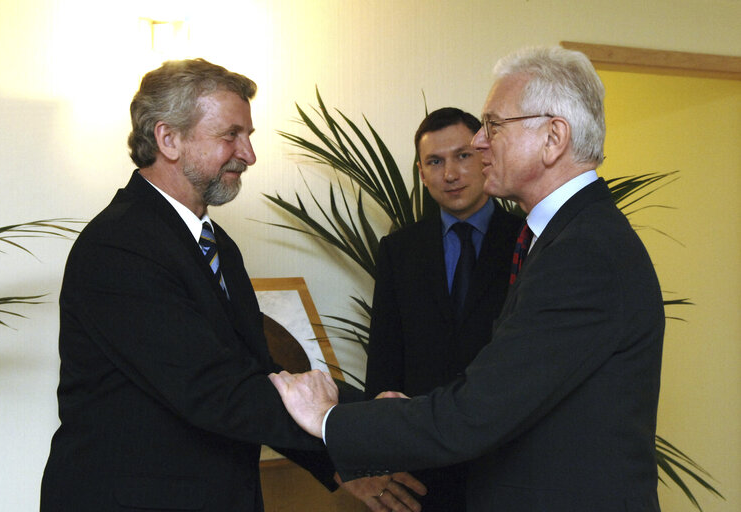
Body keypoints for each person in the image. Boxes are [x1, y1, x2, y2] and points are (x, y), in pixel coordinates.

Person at [269, 45, 665, 511]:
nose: (479, 143)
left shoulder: (583, 253)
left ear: (553, 138)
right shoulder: (568, 237)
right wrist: (393, 413)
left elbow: (477, 411)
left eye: (493, 125)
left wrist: (328, 419)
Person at [39, 58, 424, 512]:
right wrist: (357, 428)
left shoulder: (217, 244)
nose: (249, 154)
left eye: (249, 136)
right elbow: (214, 390)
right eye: (230, 136)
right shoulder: (120, 246)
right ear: (168, 139)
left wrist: (341, 460)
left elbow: (259, 372)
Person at [362, 107, 520, 510]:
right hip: (420, 467)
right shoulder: (398, 251)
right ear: (421, 172)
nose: (450, 173)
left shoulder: (527, 240)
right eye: (435, 161)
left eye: (462, 156)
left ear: (485, 156)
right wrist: (377, 455)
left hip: (508, 460)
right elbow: (384, 357)